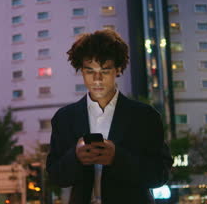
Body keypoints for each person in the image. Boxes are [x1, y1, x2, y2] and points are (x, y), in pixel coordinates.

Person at [46, 30, 173, 204]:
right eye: (89, 71)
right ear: (81, 71)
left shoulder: (144, 116)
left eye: (105, 71)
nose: (97, 79)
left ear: (118, 69)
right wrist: (75, 157)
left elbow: (160, 174)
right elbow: (55, 176)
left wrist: (117, 158)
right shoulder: (65, 118)